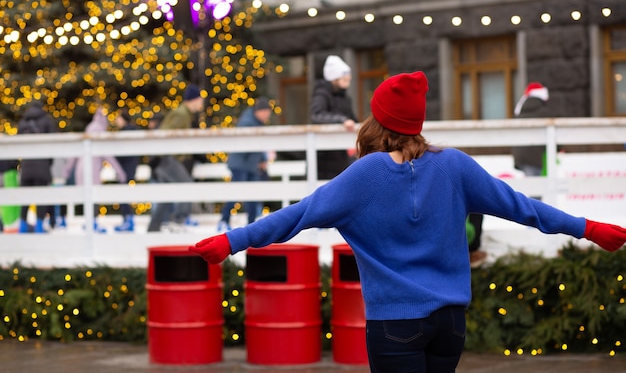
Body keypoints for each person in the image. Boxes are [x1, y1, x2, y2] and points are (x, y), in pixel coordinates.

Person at [190, 71, 626, 373]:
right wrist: (587, 227)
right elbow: (524, 207)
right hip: (450, 323)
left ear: (376, 120)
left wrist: (231, 241)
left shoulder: (363, 176)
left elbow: (296, 216)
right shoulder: (455, 165)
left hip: (395, 325)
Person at [147, 84, 205, 232]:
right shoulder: (181, 114)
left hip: (166, 159)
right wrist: (159, 156)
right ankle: (178, 221)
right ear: (194, 99)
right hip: (167, 159)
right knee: (187, 186)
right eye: (200, 99)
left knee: (167, 195)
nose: (202, 103)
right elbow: (164, 133)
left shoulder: (184, 113)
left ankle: (153, 229)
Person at [64, 108, 127, 233]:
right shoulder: (98, 132)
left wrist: (67, 170)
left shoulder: (88, 129)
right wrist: (120, 172)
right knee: (93, 196)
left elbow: (74, 155)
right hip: (91, 169)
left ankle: (89, 222)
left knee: (87, 196)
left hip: (81, 168)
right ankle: (91, 223)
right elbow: (107, 155)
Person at [217, 97, 273, 232]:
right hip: (241, 165)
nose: (267, 115)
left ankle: (251, 224)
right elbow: (251, 144)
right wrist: (261, 159)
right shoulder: (248, 123)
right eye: (265, 112)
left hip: (250, 165)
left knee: (252, 194)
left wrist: (262, 159)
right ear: (258, 111)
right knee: (236, 193)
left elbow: (258, 145)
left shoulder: (256, 122)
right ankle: (224, 220)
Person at [310, 55, 358, 179]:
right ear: (335, 78)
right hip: (324, 156)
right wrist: (342, 120)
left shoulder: (345, 98)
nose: (348, 80)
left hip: (341, 154)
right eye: (345, 78)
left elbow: (352, 118)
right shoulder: (321, 94)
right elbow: (317, 115)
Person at [17, 100, 57, 233]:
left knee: (24, 198)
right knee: (41, 197)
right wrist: (48, 163)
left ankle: (22, 226)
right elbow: (53, 144)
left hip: (26, 166)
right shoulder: (46, 121)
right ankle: (39, 226)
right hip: (42, 165)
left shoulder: (23, 123)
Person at [512, 82, 552, 176]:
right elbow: (551, 133)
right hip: (533, 156)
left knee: (530, 184)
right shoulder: (543, 112)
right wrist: (559, 148)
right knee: (535, 187)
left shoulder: (521, 109)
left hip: (520, 155)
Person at [113, 108, 140, 232]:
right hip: (129, 167)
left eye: (118, 118)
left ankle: (128, 220)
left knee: (123, 194)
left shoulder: (126, 132)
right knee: (124, 194)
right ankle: (128, 220)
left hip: (125, 168)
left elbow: (122, 152)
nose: (116, 121)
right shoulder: (131, 131)